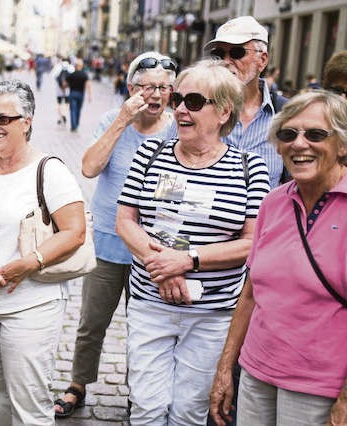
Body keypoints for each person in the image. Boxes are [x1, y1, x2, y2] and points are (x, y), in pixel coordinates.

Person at [115, 60, 270, 424]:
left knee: (189, 412)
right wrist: (163, 267)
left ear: (223, 111)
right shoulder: (149, 155)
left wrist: (188, 261)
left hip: (213, 315)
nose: (181, 108)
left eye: (195, 101)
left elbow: (253, 243)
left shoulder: (250, 168)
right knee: (147, 407)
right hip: (150, 305)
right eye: (179, 98)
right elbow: (126, 221)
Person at [0, 80, 87, 425]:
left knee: (29, 400)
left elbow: (75, 231)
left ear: (26, 121)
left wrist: (30, 263)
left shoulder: (49, 171)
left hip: (33, 305)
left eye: (3, 119)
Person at [210, 90, 347, 426]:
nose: (299, 144)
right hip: (257, 373)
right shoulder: (273, 203)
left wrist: (345, 402)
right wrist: (227, 367)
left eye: (315, 134)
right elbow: (252, 292)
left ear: (343, 145)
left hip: (319, 387)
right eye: (288, 134)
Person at [54, 51, 177, 418]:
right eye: (146, 86)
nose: (155, 94)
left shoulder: (176, 128)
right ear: (130, 89)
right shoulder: (114, 120)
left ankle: (139, 392)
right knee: (92, 322)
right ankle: (78, 383)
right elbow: (90, 167)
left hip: (153, 250)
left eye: (163, 87)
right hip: (108, 241)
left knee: (145, 329)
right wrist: (123, 119)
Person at [206, 15, 285, 188]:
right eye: (219, 54)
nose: (226, 62)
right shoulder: (195, 107)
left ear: (262, 60)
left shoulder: (286, 114)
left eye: (236, 52)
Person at [66, 58, 92, 132]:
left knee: (72, 110)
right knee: (78, 110)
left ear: (75, 66)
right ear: (81, 66)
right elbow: (88, 85)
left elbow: (65, 84)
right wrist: (90, 96)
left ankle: (73, 126)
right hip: (80, 94)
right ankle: (76, 124)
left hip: (72, 93)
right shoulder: (84, 75)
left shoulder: (71, 75)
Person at [52, 57, 73, 126]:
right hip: (67, 89)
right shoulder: (71, 67)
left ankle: (60, 116)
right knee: (67, 103)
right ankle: (64, 114)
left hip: (59, 90)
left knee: (59, 103)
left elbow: (53, 76)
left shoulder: (58, 67)